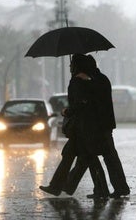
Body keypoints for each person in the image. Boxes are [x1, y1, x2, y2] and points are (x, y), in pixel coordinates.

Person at [39, 54, 109, 198]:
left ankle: (58, 186)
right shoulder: (88, 81)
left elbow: (80, 103)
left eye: (72, 65)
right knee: (80, 157)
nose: (70, 67)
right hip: (85, 127)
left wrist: (67, 111)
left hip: (81, 128)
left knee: (84, 157)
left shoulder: (77, 82)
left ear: (77, 66)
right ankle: (59, 186)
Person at [64, 55, 130, 199]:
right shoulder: (101, 79)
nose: (71, 68)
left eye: (73, 65)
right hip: (104, 125)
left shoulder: (91, 80)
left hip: (96, 126)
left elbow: (86, 102)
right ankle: (115, 188)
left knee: (97, 156)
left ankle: (108, 189)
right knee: (106, 157)